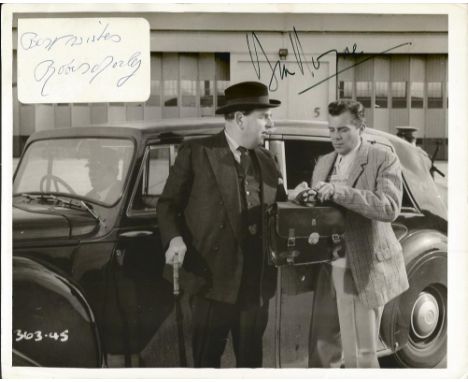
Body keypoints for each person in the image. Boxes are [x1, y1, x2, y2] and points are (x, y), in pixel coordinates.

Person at [156, 81, 287, 368]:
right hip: (211, 282)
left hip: (255, 285)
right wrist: (174, 239)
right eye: (264, 116)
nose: (271, 123)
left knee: (251, 362)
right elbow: (167, 206)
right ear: (240, 119)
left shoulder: (266, 160)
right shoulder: (197, 153)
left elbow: (279, 210)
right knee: (206, 361)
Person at [304, 100, 409, 368]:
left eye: (343, 130)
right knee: (326, 349)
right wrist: (304, 196)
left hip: (365, 264)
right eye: (331, 130)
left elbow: (389, 207)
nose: (335, 137)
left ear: (361, 127)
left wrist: (339, 191)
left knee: (362, 354)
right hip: (330, 265)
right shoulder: (325, 162)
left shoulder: (382, 158)